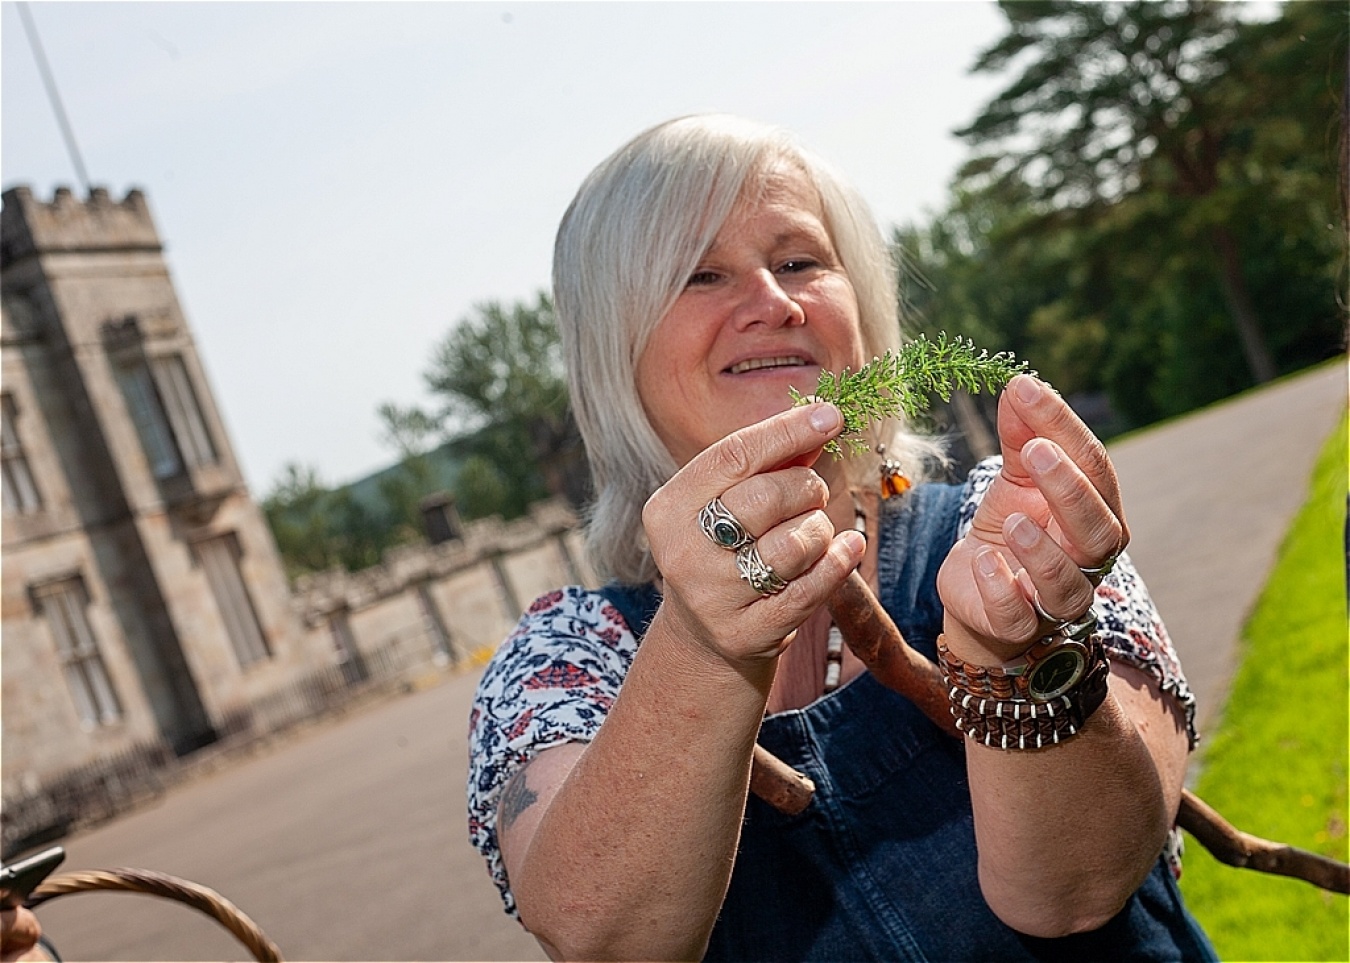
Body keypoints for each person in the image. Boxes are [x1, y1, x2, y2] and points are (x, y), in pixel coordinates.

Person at [467, 114, 1218, 961]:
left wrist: (1016, 652)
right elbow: (603, 935)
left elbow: (1078, 888)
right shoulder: (566, 655)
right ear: (616, 351)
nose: (775, 303)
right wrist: (700, 646)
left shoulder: (1005, 527)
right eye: (700, 274)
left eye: (799, 262)